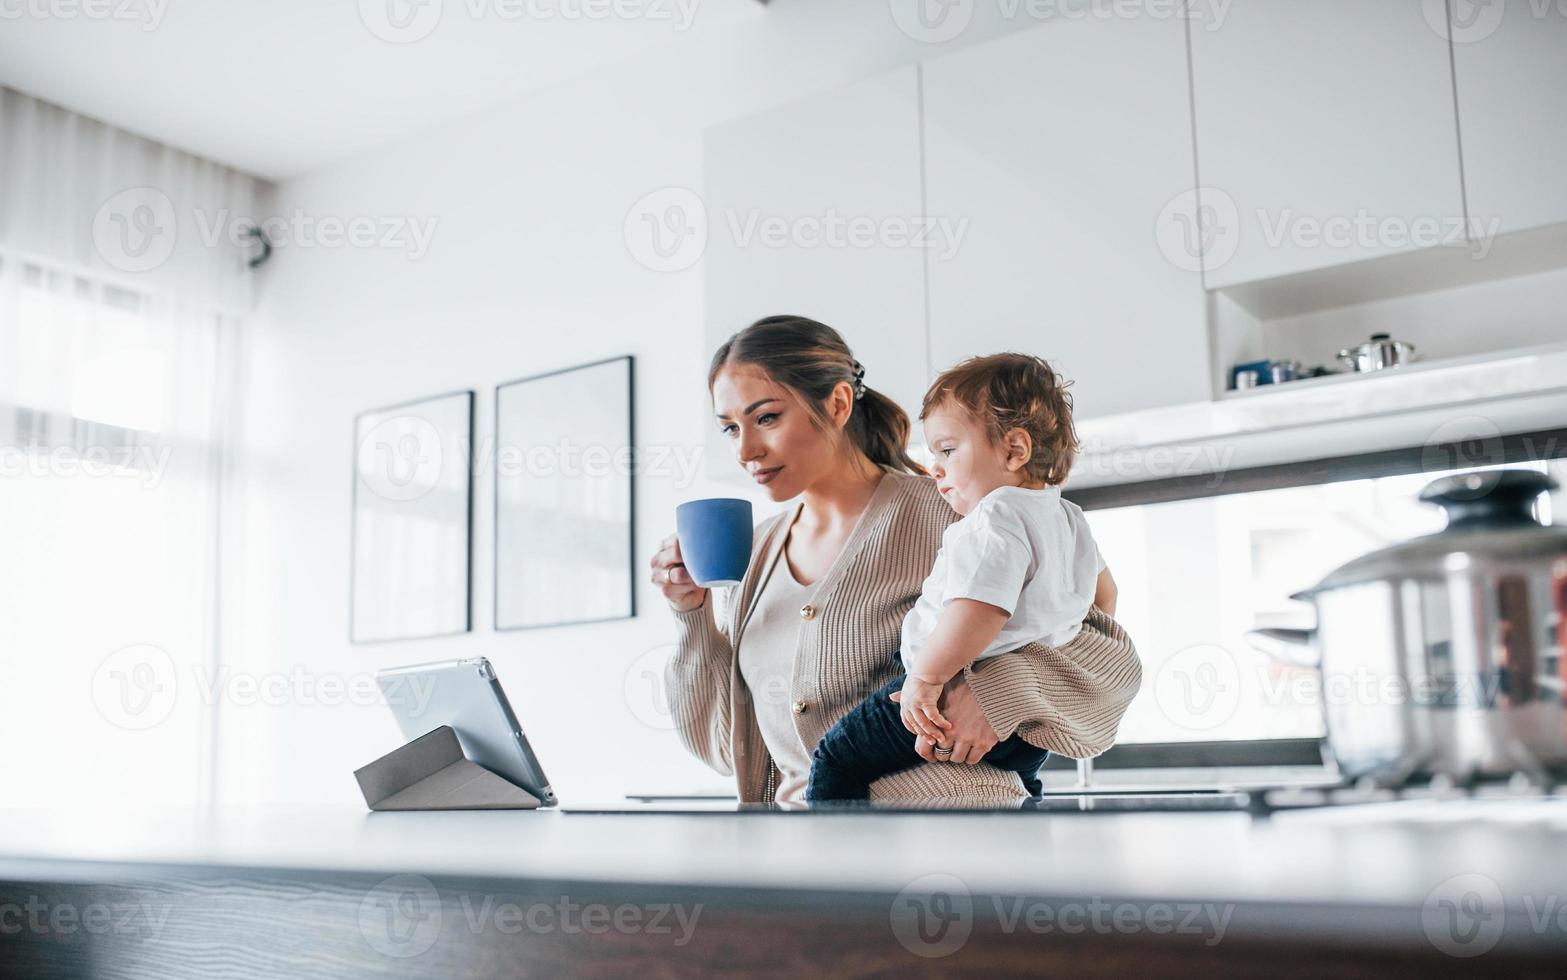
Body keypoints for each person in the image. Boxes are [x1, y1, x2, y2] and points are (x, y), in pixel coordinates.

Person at [650, 315, 1141, 806]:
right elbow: (722, 750)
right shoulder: (754, 557)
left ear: (839, 403)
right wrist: (692, 614)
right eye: (730, 428)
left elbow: (1109, 663)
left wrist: (999, 692)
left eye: (767, 418)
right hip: (811, 861)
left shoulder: (959, 510)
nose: (746, 449)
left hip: (960, 843)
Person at [806, 353, 1117, 801]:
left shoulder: (995, 516)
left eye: (948, 450)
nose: (936, 468)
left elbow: (978, 607)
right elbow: (1106, 598)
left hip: (950, 691)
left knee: (838, 756)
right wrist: (1054, 639)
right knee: (1024, 787)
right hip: (1028, 723)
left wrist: (927, 680)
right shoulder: (1068, 516)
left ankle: (830, 862)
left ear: (1014, 450)